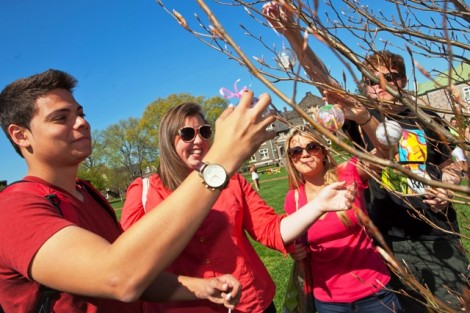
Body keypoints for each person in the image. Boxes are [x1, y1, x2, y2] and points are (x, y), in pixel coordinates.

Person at [0, 69, 285, 312]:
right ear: (20, 135)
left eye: (80, 112)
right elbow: (117, 277)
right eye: (61, 118)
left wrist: (198, 286)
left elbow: (137, 270)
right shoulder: (14, 209)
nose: (82, 122)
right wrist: (220, 161)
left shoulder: (88, 194)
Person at [263, 3, 468, 311]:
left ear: (404, 80)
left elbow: (454, 161)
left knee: (458, 305)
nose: (381, 87)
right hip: (387, 239)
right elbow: (323, 81)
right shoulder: (359, 117)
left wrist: (449, 183)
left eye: (391, 78)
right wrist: (292, 31)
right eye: (372, 81)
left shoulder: (427, 118)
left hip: (436, 231)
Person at [120, 102, 357, 313]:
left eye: (204, 132)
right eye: (187, 134)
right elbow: (129, 262)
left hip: (250, 302)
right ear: (168, 140)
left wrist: (319, 205)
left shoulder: (232, 181)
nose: (199, 141)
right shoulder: (144, 191)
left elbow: (271, 229)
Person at [283, 124, 403, 313]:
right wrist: (294, 250)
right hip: (329, 300)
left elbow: (385, 153)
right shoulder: (293, 199)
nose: (305, 154)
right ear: (291, 160)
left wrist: (363, 118)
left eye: (312, 147)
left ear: (323, 151)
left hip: (374, 290)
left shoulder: (347, 173)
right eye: (296, 151)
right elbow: (293, 239)